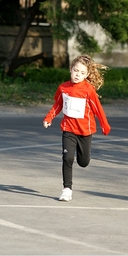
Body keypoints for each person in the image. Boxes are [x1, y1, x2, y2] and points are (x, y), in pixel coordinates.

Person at [43, 54, 111, 201]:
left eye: (81, 72)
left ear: (86, 75)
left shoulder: (88, 91)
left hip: (85, 132)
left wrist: (104, 125)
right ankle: (67, 189)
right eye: (75, 71)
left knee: (83, 162)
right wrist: (49, 118)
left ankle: (84, 157)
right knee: (67, 158)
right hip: (68, 130)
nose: (77, 75)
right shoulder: (63, 88)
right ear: (70, 69)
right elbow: (58, 105)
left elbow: (98, 109)